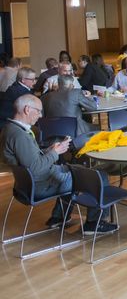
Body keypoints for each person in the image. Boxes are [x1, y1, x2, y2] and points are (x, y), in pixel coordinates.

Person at [1, 94, 116, 233]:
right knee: (98, 176)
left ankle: (59, 217)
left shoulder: (10, 129)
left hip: (26, 184)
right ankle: (94, 223)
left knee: (78, 169)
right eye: (38, 111)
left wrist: (48, 150)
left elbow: (28, 159)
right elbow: (36, 168)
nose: (40, 115)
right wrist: (55, 153)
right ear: (27, 109)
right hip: (40, 184)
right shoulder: (19, 135)